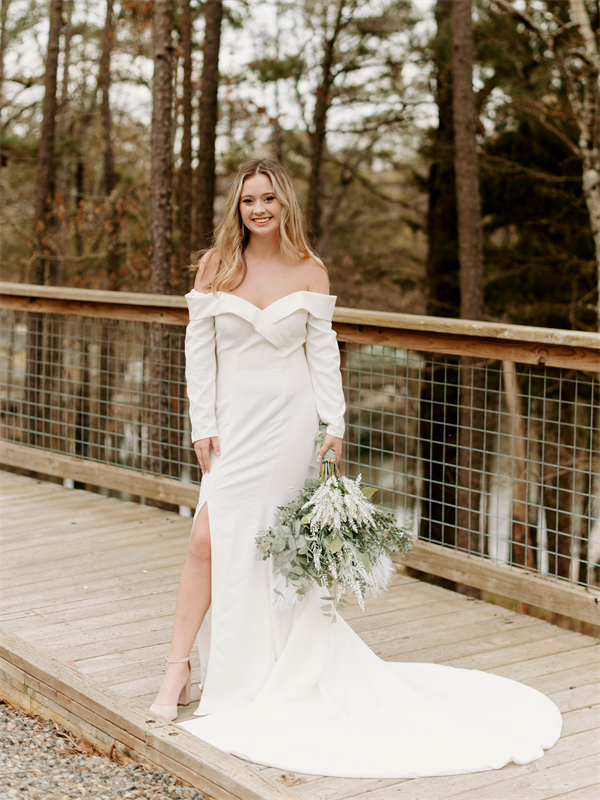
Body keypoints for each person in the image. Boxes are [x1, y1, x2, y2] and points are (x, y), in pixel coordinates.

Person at [150, 158, 562, 778]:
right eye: (247, 200)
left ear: (284, 204)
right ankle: (177, 671)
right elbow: (198, 353)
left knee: (273, 548)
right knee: (207, 540)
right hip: (232, 430)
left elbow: (322, 353)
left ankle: (266, 665)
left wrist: (334, 428)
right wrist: (200, 421)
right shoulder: (216, 268)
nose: (258, 209)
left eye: (268, 199)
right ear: (236, 208)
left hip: (291, 428)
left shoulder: (309, 270)